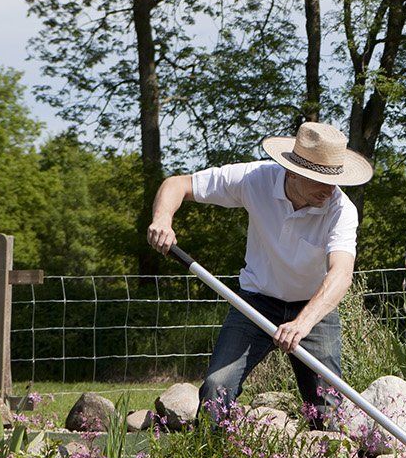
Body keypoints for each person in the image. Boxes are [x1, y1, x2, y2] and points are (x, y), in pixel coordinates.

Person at [145, 121, 371, 425]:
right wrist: (162, 220)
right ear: (293, 171)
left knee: (327, 407)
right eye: (321, 180)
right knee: (217, 388)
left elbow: (341, 274)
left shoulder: (341, 210)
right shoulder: (255, 179)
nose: (330, 189)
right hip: (255, 303)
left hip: (313, 309)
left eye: (334, 179)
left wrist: (302, 323)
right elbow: (178, 184)